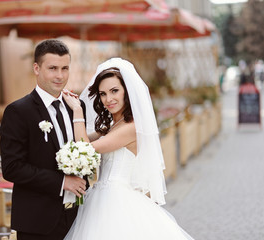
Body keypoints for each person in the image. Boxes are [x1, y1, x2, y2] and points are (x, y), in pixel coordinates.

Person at [62, 58, 194, 239]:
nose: (108, 99)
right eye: (102, 94)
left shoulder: (131, 128)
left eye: (114, 91)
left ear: (127, 92)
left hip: (118, 202)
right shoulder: (111, 126)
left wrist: (78, 111)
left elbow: (85, 149)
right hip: (100, 199)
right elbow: (76, 142)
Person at [0, 39, 87, 240]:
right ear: (36, 68)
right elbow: (12, 167)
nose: (60, 75)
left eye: (65, 68)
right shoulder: (18, 112)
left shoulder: (77, 106)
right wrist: (63, 181)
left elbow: (84, 150)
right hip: (37, 222)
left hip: (79, 218)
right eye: (53, 68)